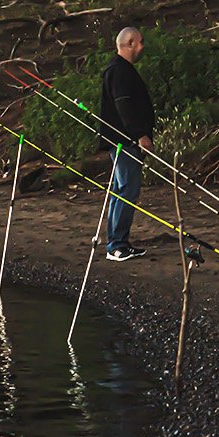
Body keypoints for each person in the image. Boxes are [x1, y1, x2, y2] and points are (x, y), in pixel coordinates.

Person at [96, 26, 155, 262]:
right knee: (126, 190)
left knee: (123, 190)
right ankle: (117, 245)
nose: (143, 47)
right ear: (129, 43)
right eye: (140, 42)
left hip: (125, 141)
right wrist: (140, 134)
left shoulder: (122, 70)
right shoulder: (119, 71)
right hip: (124, 142)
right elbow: (124, 106)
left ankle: (118, 242)